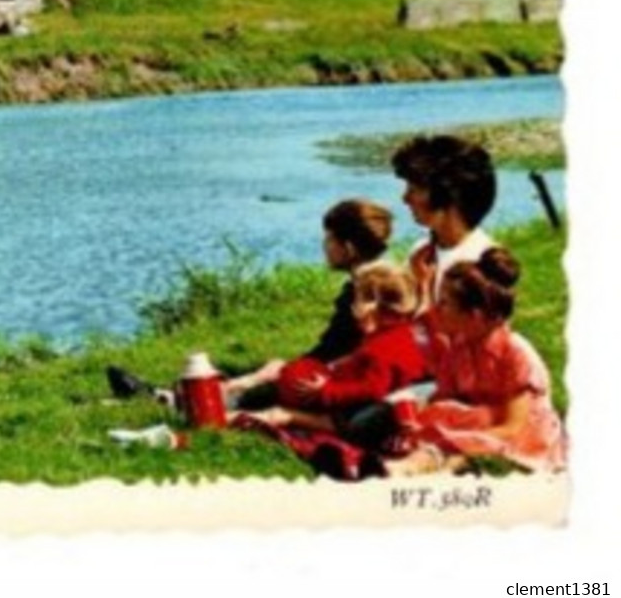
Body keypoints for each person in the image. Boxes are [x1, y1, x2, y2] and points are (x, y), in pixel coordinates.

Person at [106, 198, 393, 409]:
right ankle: (183, 393)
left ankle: (169, 400)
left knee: (264, 385)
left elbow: (338, 353)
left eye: (329, 239)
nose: (324, 246)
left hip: (346, 382)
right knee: (266, 372)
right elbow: (334, 348)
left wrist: (278, 372)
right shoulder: (383, 280)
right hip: (355, 374)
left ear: (349, 248)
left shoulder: (363, 292)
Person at [386, 247, 566, 475]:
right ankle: (424, 463)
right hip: (479, 420)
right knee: (427, 415)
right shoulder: (461, 344)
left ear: (475, 315)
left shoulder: (514, 353)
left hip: (520, 434)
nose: (437, 310)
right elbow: (446, 397)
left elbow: (512, 427)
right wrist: (418, 421)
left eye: (444, 304)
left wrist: (450, 437)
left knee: (452, 444)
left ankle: (421, 465)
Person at [241, 261, 427, 435]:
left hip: (365, 407)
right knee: (292, 379)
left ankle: (277, 413)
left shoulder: (383, 349)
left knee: (300, 395)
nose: (353, 306)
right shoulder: (393, 335)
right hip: (368, 396)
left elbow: (371, 388)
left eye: (357, 299)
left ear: (372, 307)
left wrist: (328, 390)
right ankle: (250, 400)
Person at [391, 134, 497, 310]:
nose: (405, 198)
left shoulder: (482, 262)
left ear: (446, 195)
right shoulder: (421, 252)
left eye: (414, 189)